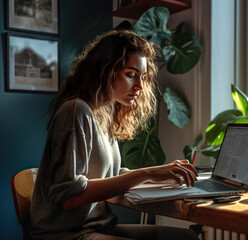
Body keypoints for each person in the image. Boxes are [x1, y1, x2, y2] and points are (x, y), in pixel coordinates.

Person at [29, 29, 199, 240]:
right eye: (131, 75)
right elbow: (69, 198)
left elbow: (110, 175)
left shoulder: (105, 111)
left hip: (98, 229)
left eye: (142, 77)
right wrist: (146, 173)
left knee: (185, 238)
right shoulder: (76, 111)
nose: (139, 86)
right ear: (105, 70)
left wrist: (166, 177)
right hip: (66, 235)